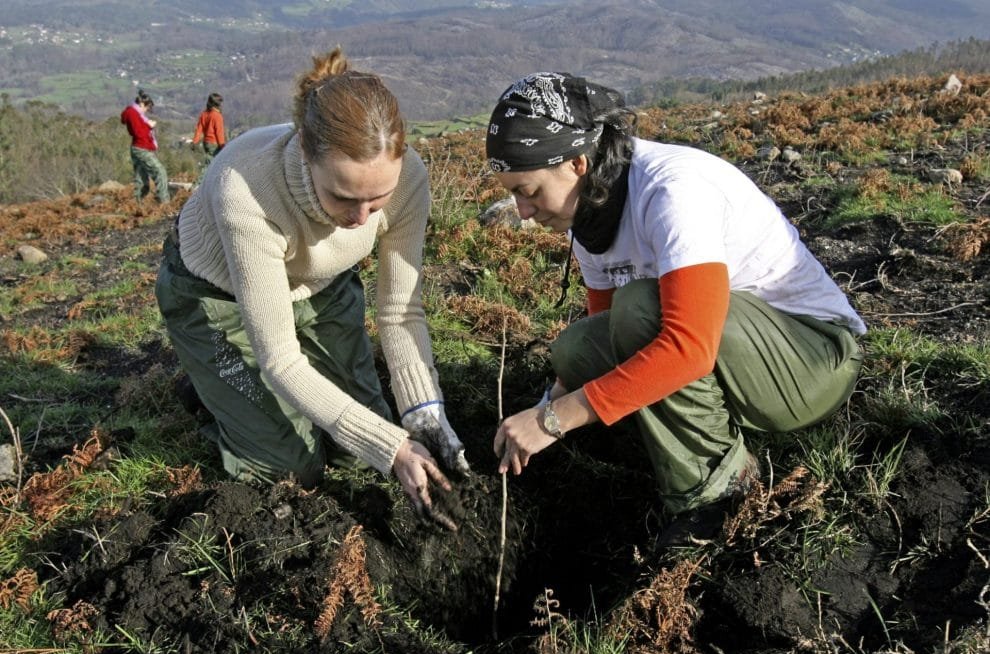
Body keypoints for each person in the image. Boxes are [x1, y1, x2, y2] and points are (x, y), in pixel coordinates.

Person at [487, 72, 865, 544]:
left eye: (528, 190)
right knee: (577, 350)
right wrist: (549, 405)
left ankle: (720, 494)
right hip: (740, 353)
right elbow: (601, 336)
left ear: (578, 164)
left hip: (813, 360)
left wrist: (553, 421)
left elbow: (689, 348)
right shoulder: (592, 211)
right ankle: (672, 432)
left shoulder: (672, 192)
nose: (522, 210)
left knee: (643, 310)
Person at [155, 47, 468, 527]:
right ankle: (215, 391)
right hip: (218, 296)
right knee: (291, 467)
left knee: (355, 452)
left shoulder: (409, 180)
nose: (361, 219)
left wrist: (424, 411)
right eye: (343, 197)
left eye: (377, 200)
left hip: (320, 285)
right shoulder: (246, 189)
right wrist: (392, 448)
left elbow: (401, 312)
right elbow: (280, 359)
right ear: (304, 149)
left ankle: (242, 394)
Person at [120, 90, 170, 204]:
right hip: (141, 148)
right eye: (146, 108)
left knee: (141, 179)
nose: (146, 111)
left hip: (138, 147)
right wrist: (149, 126)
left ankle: (137, 203)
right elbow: (139, 133)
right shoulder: (133, 114)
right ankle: (164, 201)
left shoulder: (134, 113)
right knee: (160, 172)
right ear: (142, 104)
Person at [192, 92, 226, 166]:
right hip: (215, 144)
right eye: (220, 103)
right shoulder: (217, 116)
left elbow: (199, 130)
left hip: (206, 143)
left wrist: (194, 142)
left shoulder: (204, 114)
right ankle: (203, 177)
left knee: (210, 164)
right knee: (212, 166)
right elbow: (219, 132)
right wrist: (222, 146)